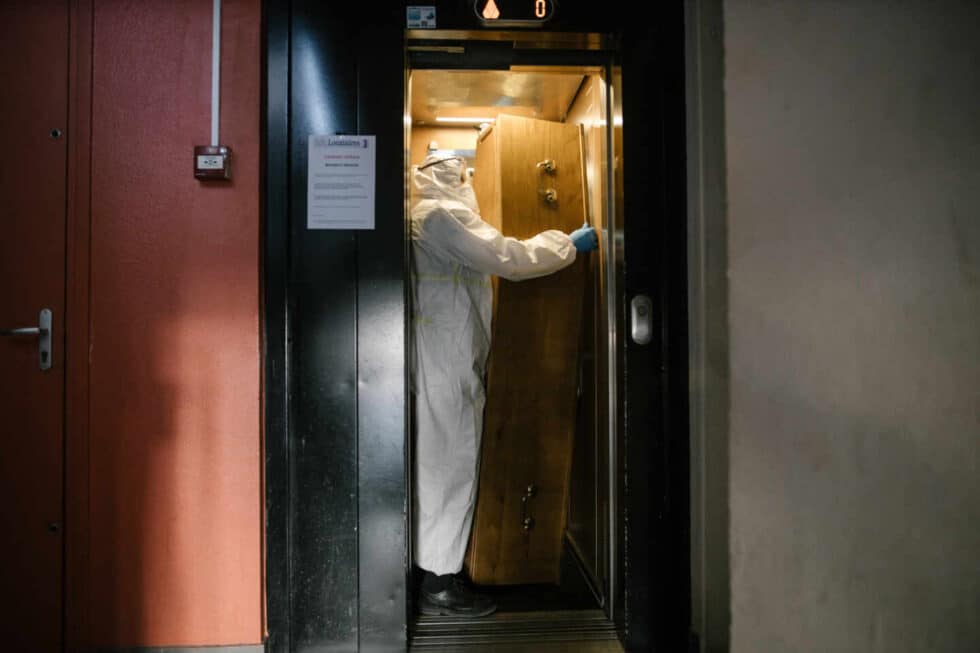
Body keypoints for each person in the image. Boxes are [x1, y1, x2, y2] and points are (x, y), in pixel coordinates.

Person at [410, 154, 598, 616]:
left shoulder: (422, 215)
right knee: (450, 463)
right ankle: (438, 584)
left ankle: (434, 572)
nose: (466, 182)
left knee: (440, 463)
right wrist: (566, 246)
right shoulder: (440, 216)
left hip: (440, 355)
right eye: (462, 175)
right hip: (447, 361)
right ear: (448, 179)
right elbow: (507, 258)